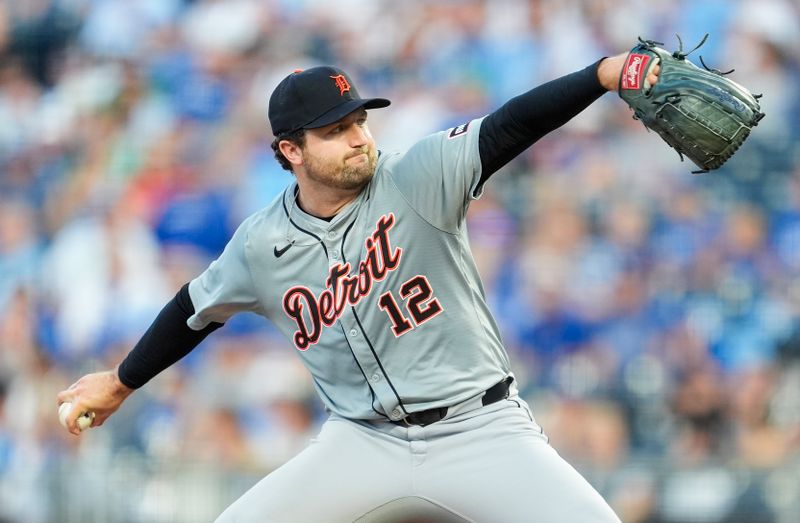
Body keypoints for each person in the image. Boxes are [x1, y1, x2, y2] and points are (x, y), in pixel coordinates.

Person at [57, 52, 659, 522]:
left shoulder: (416, 176)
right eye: (335, 130)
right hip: (361, 443)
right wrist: (120, 382)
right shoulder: (260, 243)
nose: (358, 137)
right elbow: (193, 310)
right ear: (290, 150)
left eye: (360, 121)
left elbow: (508, 127)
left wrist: (601, 75)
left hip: (481, 432)